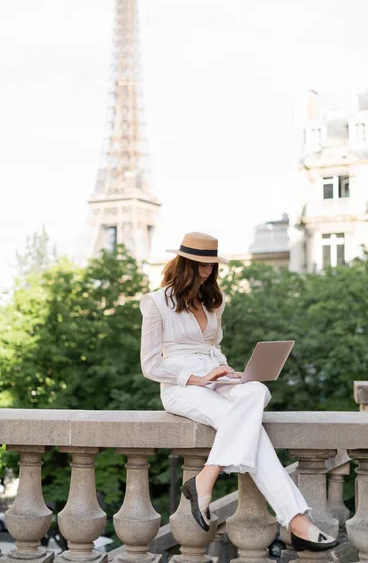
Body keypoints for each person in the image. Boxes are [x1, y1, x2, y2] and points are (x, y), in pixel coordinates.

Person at [140, 231, 338, 553]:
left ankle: (207, 475)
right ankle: (298, 520)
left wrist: (228, 373)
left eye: (212, 265)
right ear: (185, 263)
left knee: (255, 390)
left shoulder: (212, 301)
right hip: (181, 385)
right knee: (249, 427)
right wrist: (198, 377)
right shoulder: (155, 302)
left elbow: (213, 349)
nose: (208, 271)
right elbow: (150, 365)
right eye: (203, 265)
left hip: (218, 375)